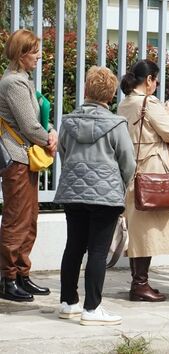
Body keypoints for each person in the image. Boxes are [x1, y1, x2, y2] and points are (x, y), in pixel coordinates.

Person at [54, 66, 135, 325]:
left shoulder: (68, 121)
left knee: (74, 246)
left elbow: (63, 153)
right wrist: (121, 187)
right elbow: (128, 162)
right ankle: (92, 308)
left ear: (86, 89)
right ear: (111, 95)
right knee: (97, 251)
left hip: (73, 192)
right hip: (105, 195)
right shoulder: (116, 124)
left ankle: (68, 302)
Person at [117, 59, 169, 302]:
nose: (156, 84)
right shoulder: (149, 102)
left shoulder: (124, 104)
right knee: (146, 231)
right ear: (148, 80)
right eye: (155, 80)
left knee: (138, 229)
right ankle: (140, 284)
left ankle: (140, 282)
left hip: (132, 171)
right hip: (154, 171)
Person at [0, 29, 57, 302]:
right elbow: (29, 125)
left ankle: (22, 275)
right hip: (17, 158)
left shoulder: (21, 80)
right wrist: (50, 139)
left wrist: (52, 132)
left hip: (26, 158)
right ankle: (7, 279)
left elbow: (38, 120)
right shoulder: (13, 83)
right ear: (21, 55)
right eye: (34, 51)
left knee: (29, 219)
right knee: (16, 220)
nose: (38, 56)